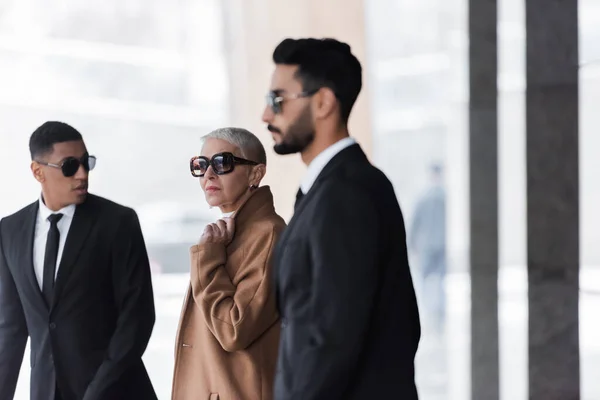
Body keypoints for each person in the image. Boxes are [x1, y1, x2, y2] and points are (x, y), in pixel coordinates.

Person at [262, 38, 421, 399]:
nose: (266, 115)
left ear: (323, 102)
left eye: (277, 100)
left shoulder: (347, 193)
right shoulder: (332, 187)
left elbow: (331, 337)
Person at [0, 121, 157, 400]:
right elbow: (11, 326)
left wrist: (96, 392)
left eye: (87, 162)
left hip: (116, 391)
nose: (83, 174)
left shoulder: (118, 223)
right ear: (38, 171)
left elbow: (137, 320)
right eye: (70, 165)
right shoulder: (10, 230)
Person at [172, 127, 286, 400]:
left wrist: (208, 261)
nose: (209, 174)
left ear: (255, 173)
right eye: (201, 165)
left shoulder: (267, 234)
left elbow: (234, 329)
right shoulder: (233, 232)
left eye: (222, 163)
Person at [409, 163, 447, 333]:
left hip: (428, 246)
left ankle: (430, 312)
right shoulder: (444, 197)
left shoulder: (424, 197)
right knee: (438, 280)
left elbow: (414, 225)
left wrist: (412, 246)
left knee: (428, 280)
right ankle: (437, 313)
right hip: (439, 244)